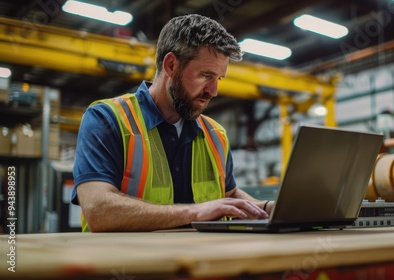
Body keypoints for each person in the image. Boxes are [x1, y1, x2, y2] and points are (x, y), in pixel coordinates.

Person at [71, 14, 274, 232]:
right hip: (125, 264)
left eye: (218, 79)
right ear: (171, 65)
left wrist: (268, 208)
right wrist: (196, 212)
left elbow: (229, 195)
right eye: (206, 76)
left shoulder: (216, 134)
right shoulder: (106, 119)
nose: (213, 91)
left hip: (198, 264)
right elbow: (99, 211)